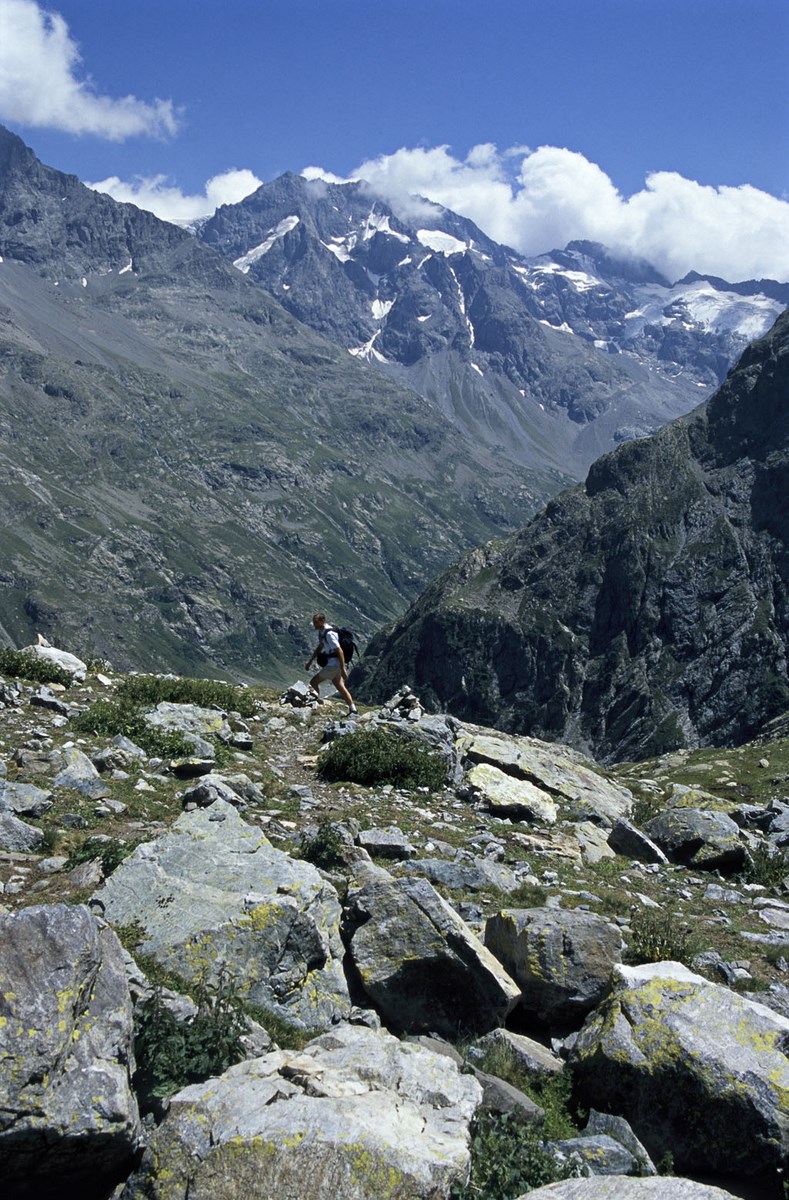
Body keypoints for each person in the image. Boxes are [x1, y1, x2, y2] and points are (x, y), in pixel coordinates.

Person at [305, 612, 357, 715]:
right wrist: (311, 660)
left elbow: (339, 651)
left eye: (316, 622)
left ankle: (314, 707)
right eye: (313, 622)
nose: (314, 624)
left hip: (333, 664)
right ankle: (353, 709)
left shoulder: (329, 634)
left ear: (322, 621)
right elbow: (320, 646)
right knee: (339, 685)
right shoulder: (322, 632)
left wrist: (343, 670)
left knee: (313, 682)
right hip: (335, 664)